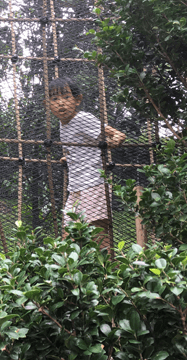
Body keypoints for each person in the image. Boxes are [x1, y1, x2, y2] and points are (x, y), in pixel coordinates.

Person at [45, 77, 126, 251]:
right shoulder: (63, 124)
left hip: (93, 184)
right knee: (68, 233)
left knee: (99, 236)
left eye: (66, 97)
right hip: (76, 188)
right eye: (54, 99)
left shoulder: (82, 118)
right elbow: (83, 145)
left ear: (77, 100)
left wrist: (115, 140)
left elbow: (117, 135)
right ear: (48, 104)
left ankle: (110, 273)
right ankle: (71, 273)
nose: (61, 103)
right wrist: (70, 158)